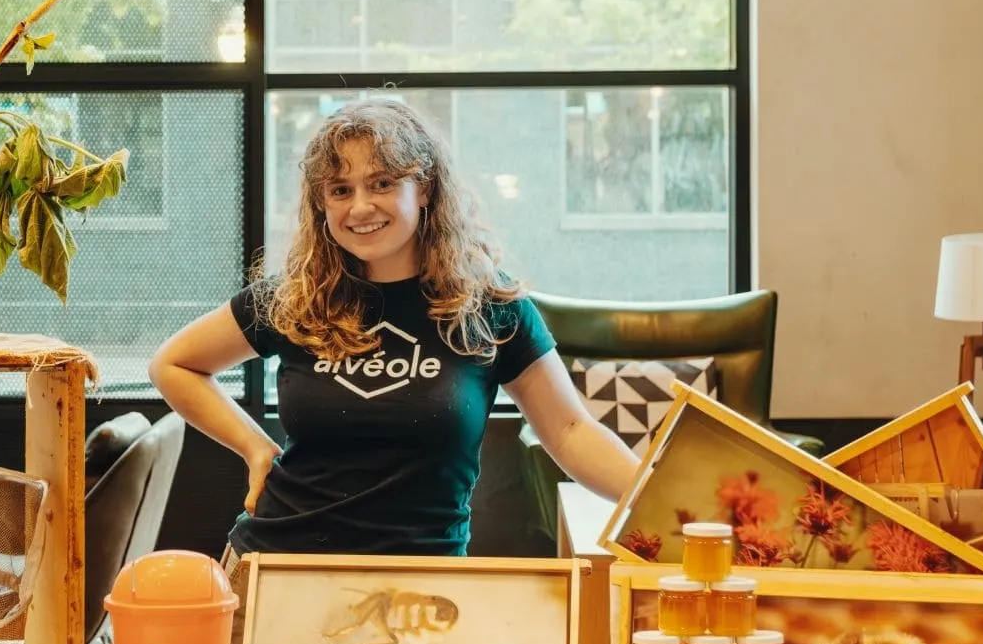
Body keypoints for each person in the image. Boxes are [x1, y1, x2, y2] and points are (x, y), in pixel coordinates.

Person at [150, 98, 639, 597]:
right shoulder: (294, 298)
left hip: (422, 586)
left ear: (424, 188)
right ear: (322, 204)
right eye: (341, 190)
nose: (360, 207)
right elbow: (174, 364)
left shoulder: (487, 305)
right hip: (278, 572)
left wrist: (665, 501)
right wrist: (255, 447)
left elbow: (571, 428)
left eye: (382, 183)